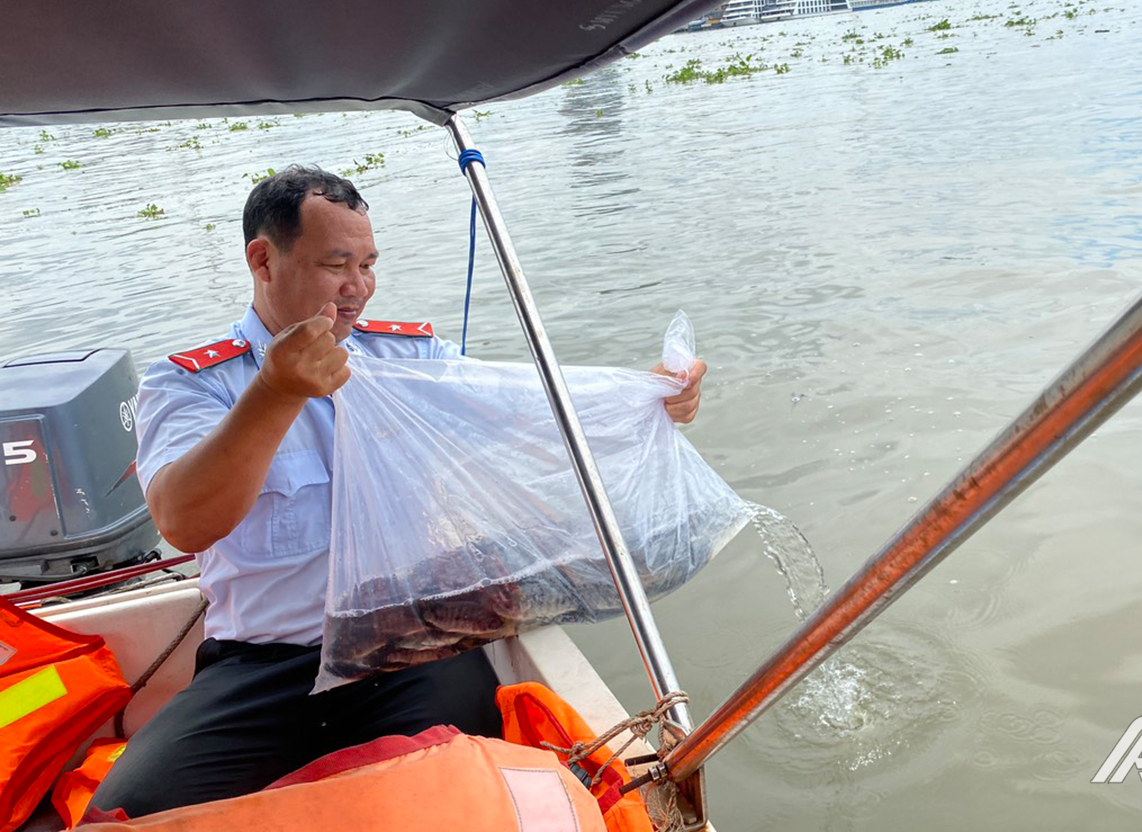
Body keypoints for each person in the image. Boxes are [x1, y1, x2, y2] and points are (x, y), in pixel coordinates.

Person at [90, 166, 705, 818]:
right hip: (260, 669)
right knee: (127, 814)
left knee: (452, 800)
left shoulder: (406, 361)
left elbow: (527, 412)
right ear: (263, 260)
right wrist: (274, 394)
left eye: (368, 264)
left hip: (407, 649)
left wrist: (650, 396)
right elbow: (184, 521)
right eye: (336, 265)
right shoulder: (192, 386)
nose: (358, 288)